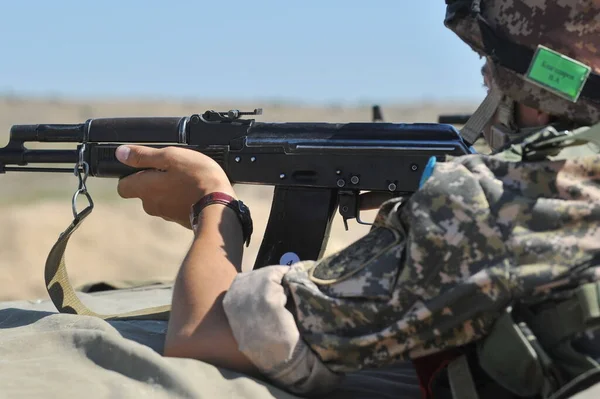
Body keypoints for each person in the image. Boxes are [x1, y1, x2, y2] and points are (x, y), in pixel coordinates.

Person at [113, 1, 600, 397]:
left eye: (489, 69)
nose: (483, 84)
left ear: (535, 95)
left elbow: (205, 334)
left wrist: (212, 201)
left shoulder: (500, 202)